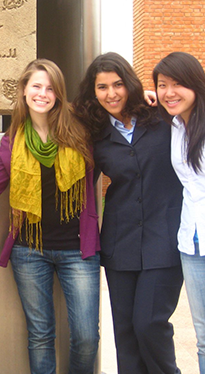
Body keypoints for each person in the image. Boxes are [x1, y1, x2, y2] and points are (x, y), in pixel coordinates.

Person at [0, 58, 100, 374]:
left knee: (87, 337)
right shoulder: (11, 143)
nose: (42, 93)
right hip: (30, 251)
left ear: (59, 94)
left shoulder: (80, 132)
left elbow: (116, 110)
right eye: (36, 86)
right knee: (40, 336)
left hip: (78, 250)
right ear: (24, 91)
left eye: (50, 88)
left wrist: (146, 100)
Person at [73, 52, 183, 374]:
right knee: (125, 333)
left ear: (130, 84)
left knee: (149, 324)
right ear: (94, 92)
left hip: (164, 238)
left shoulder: (161, 118)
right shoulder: (93, 133)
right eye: (102, 87)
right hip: (120, 242)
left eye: (118, 84)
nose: (112, 94)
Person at [154, 51, 205, 374]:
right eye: (162, 85)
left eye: (177, 84)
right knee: (203, 336)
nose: (169, 92)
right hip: (191, 244)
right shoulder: (173, 125)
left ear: (196, 85)